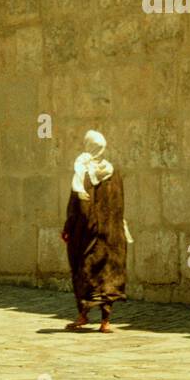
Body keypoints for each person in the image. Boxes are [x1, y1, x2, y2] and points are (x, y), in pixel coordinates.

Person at [61, 130, 128, 332]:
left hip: (87, 233)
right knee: (108, 274)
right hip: (112, 234)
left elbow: (76, 206)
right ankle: (105, 321)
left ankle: (83, 315)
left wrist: (68, 228)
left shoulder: (83, 172)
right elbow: (120, 203)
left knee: (85, 270)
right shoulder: (113, 172)